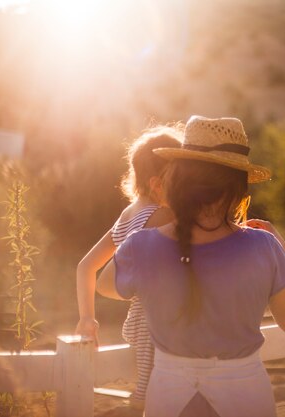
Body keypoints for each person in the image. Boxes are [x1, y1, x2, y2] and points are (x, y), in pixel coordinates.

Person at [96, 115, 285, 417]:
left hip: (168, 400)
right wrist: (283, 250)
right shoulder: (264, 247)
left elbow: (106, 286)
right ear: (238, 191)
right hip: (246, 400)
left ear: (178, 181)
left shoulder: (141, 247)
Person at [75, 126, 182, 406]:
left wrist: (88, 318)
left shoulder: (127, 214)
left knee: (152, 391)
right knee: (161, 394)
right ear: (159, 181)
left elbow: (86, 267)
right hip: (160, 321)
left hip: (137, 319)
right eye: (181, 177)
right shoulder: (162, 216)